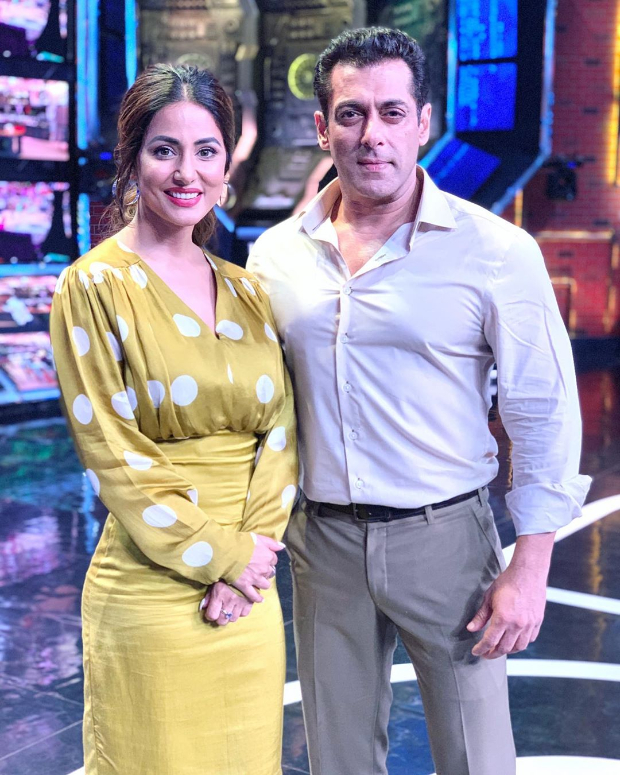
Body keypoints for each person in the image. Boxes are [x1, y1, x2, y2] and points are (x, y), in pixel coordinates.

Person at [247, 27, 591, 775]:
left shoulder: (495, 251)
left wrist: (530, 565)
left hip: (448, 541)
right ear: (323, 127)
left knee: (478, 759)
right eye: (351, 113)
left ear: (425, 123)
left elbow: (542, 411)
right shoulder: (274, 257)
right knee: (338, 760)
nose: (372, 134)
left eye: (392, 112)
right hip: (322, 543)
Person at [50, 64, 298, 775]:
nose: (187, 171)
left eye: (206, 151)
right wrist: (220, 554)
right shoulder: (92, 285)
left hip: (248, 597)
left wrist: (249, 558)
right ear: (133, 160)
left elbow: (283, 434)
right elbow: (112, 451)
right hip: (151, 596)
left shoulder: (250, 290)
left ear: (227, 165)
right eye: (165, 150)